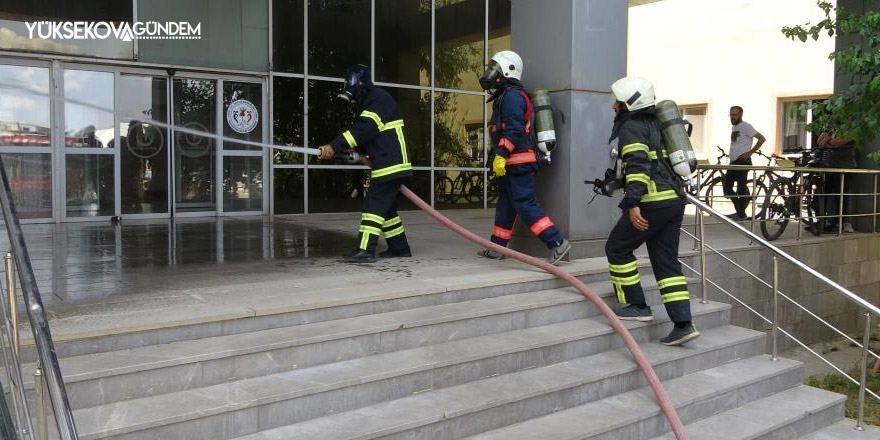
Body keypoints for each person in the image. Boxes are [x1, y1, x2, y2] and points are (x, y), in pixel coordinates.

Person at [605, 76, 699, 346]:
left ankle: (636, 305)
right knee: (666, 261)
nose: (614, 106)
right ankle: (683, 323)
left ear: (630, 104)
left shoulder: (632, 127)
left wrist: (632, 203)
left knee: (617, 248)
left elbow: (639, 166)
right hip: (674, 201)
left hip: (652, 202)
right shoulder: (659, 123)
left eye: (618, 102)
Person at [475, 50, 570, 265]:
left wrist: (501, 153)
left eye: (494, 69)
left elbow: (515, 129)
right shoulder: (505, 96)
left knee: (525, 204)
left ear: (507, 71)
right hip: (512, 162)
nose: (490, 73)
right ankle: (497, 247)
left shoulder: (512, 97)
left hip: (518, 162)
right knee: (506, 206)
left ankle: (557, 243)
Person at [318, 64, 412, 263]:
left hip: (391, 163)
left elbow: (365, 130)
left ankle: (365, 250)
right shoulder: (370, 101)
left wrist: (335, 145)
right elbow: (372, 135)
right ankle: (400, 248)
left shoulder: (378, 98)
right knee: (386, 210)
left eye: (349, 81)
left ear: (360, 81)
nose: (347, 86)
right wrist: (357, 152)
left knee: (373, 206)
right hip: (387, 161)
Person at [724, 106, 765, 220]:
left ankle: (740, 213)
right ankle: (740, 211)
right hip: (733, 162)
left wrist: (750, 153)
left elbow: (761, 138)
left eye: (735, 114)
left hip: (742, 161)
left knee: (740, 188)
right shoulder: (735, 127)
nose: (733, 117)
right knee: (727, 188)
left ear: (741, 114)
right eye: (731, 115)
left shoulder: (745, 126)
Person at [816, 130, 856, 233]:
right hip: (829, 166)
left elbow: (838, 142)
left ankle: (842, 223)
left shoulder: (851, 127)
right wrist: (830, 142)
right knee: (825, 194)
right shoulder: (831, 128)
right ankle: (823, 221)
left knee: (842, 195)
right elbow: (820, 141)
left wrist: (828, 142)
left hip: (844, 167)